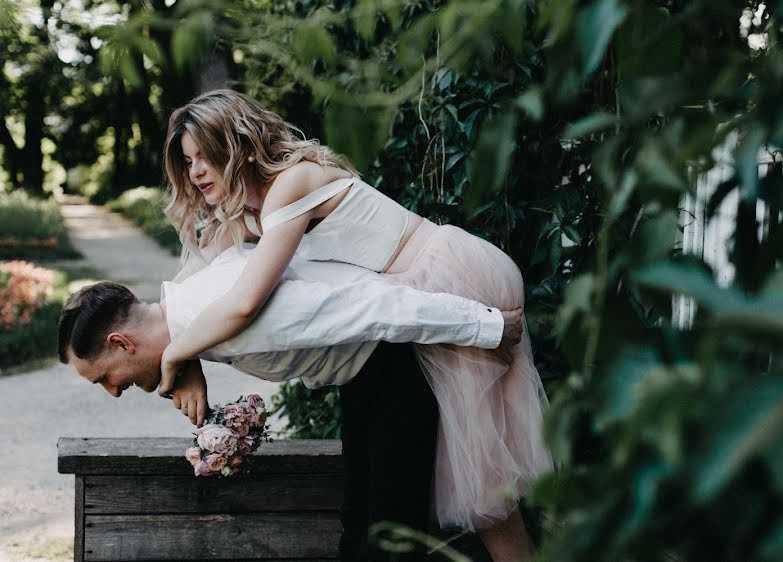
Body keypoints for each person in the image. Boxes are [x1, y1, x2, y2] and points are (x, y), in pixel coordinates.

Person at [159, 89, 552, 560]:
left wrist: (176, 354)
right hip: (421, 289)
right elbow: (182, 291)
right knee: (482, 483)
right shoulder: (249, 211)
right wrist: (183, 357)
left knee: (487, 483)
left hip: (454, 276)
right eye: (187, 162)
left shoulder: (291, 185)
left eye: (204, 156)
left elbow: (244, 302)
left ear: (236, 144)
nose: (195, 172)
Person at [58, 247, 524, 561]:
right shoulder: (194, 308)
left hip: (397, 369)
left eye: (105, 379)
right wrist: (186, 361)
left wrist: (485, 327)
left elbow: (371, 306)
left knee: (390, 536)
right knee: (357, 525)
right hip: (364, 380)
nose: (114, 392)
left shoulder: (235, 314)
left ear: (122, 343)